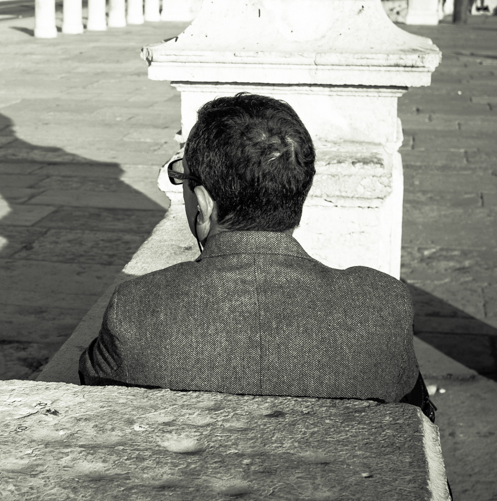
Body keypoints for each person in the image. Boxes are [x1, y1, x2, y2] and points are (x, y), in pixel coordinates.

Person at [79, 93, 436, 421]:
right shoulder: (382, 305)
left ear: (203, 204)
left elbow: (93, 395)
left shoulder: (136, 308)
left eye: (182, 177)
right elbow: (418, 420)